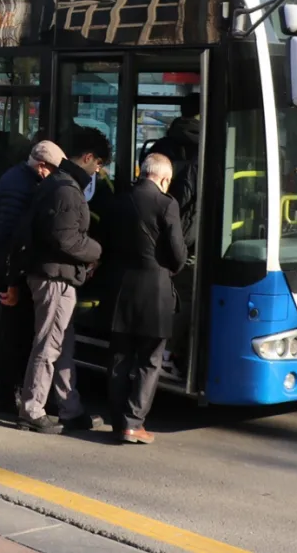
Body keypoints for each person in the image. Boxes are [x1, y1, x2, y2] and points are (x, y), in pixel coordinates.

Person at [16, 129, 110, 434]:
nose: (98, 171)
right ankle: (32, 408)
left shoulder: (59, 184)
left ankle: (70, 407)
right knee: (49, 344)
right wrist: (96, 250)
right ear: (87, 158)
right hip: (55, 277)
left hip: (56, 274)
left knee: (62, 344)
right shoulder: (68, 190)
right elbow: (67, 239)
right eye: (97, 164)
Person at [107, 153, 187, 444]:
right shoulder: (167, 204)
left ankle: (118, 421)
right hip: (156, 292)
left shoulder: (119, 201)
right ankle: (133, 422)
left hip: (121, 290)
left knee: (119, 358)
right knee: (150, 360)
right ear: (164, 179)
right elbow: (178, 255)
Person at [0, 140, 65, 414]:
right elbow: (8, 236)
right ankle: (9, 398)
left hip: (14, 268)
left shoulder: (17, 177)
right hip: (13, 271)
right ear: (42, 166)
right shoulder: (20, 186)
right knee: (16, 336)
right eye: (54, 170)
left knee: (17, 334)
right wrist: (11, 281)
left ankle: (10, 396)